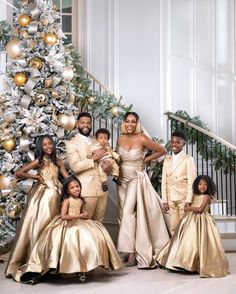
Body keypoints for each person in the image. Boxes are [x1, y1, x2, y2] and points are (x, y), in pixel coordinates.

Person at [18, 176, 122, 284]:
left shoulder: (81, 200)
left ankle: (88, 265)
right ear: (68, 190)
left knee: (95, 233)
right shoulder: (67, 201)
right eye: (72, 188)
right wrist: (78, 216)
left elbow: (84, 212)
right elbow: (63, 216)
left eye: (77, 186)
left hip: (80, 222)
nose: (76, 189)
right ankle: (72, 268)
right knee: (74, 235)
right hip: (68, 223)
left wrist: (85, 214)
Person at [5, 135, 68, 282]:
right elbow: (19, 173)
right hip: (44, 197)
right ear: (40, 147)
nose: (48, 147)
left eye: (50, 144)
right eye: (44, 145)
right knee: (41, 225)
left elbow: (66, 177)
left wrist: (74, 186)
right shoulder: (39, 161)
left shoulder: (58, 162)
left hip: (56, 194)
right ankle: (35, 263)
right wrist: (36, 178)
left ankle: (51, 264)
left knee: (54, 227)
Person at [116, 111, 170, 268]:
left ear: (137, 123)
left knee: (128, 211)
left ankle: (131, 253)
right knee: (123, 215)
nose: (130, 124)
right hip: (121, 179)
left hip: (135, 178)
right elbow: (117, 158)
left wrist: (145, 160)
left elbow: (162, 150)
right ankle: (129, 249)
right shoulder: (119, 138)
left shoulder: (141, 138)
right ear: (124, 122)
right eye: (128, 121)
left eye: (134, 121)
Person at [156, 175, 229, 278]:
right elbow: (188, 207)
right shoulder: (194, 196)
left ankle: (195, 264)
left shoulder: (207, 197)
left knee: (199, 242)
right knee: (187, 241)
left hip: (202, 221)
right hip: (190, 220)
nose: (202, 186)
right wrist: (188, 208)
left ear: (209, 186)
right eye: (200, 184)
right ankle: (181, 262)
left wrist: (189, 208)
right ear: (196, 185)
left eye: (205, 185)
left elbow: (200, 209)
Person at [66, 112, 110, 222]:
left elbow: (108, 161)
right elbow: (75, 166)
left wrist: (108, 168)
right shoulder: (71, 143)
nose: (86, 125)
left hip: (102, 189)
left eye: (88, 123)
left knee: (99, 222)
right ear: (77, 124)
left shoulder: (98, 140)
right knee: (85, 223)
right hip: (86, 190)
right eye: (82, 123)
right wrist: (94, 158)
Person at [161, 130, 196, 235]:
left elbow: (192, 182)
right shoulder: (167, 160)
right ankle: (175, 248)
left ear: (183, 143)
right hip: (171, 198)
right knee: (173, 226)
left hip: (183, 198)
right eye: (172, 142)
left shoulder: (188, 159)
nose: (174, 144)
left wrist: (189, 200)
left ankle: (185, 249)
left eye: (178, 142)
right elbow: (164, 181)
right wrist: (165, 200)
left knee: (185, 226)